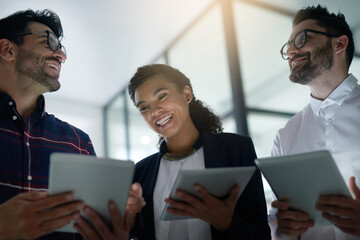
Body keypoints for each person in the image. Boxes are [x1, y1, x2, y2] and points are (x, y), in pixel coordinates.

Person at [0, 9, 144, 240]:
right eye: (48, 42)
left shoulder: (78, 141)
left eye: (61, 49)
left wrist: (115, 226)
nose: (61, 56)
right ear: (7, 50)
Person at [127, 64, 271, 239]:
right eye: (144, 107)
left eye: (162, 96)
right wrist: (129, 220)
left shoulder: (235, 149)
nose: (155, 111)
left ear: (187, 94)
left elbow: (261, 233)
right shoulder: (140, 172)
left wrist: (227, 223)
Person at [269, 4, 360, 240]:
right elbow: (276, 219)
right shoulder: (285, 136)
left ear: (339, 44)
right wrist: (284, 229)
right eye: (287, 46)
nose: (290, 51)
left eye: (301, 39)